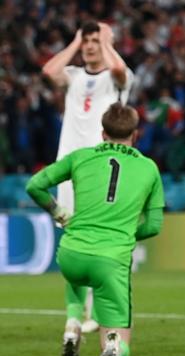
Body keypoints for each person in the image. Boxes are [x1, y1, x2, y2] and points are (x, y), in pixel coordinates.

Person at [25, 103, 164, 356]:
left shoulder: (80, 157)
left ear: (102, 133)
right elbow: (155, 225)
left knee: (80, 271)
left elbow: (34, 186)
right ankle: (113, 346)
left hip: (70, 254)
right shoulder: (149, 168)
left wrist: (60, 214)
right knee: (118, 334)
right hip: (111, 260)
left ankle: (72, 323)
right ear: (135, 135)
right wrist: (125, 233)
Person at [42, 21, 134, 333]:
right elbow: (48, 73)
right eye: (88, 42)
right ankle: (78, 311)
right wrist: (75, 41)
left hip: (102, 169)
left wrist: (108, 42)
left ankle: (98, 310)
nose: (91, 46)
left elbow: (120, 71)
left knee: (99, 235)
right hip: (70, 167)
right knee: (73, 236)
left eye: (96, 40)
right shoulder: (74, 76)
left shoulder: (117, 77)